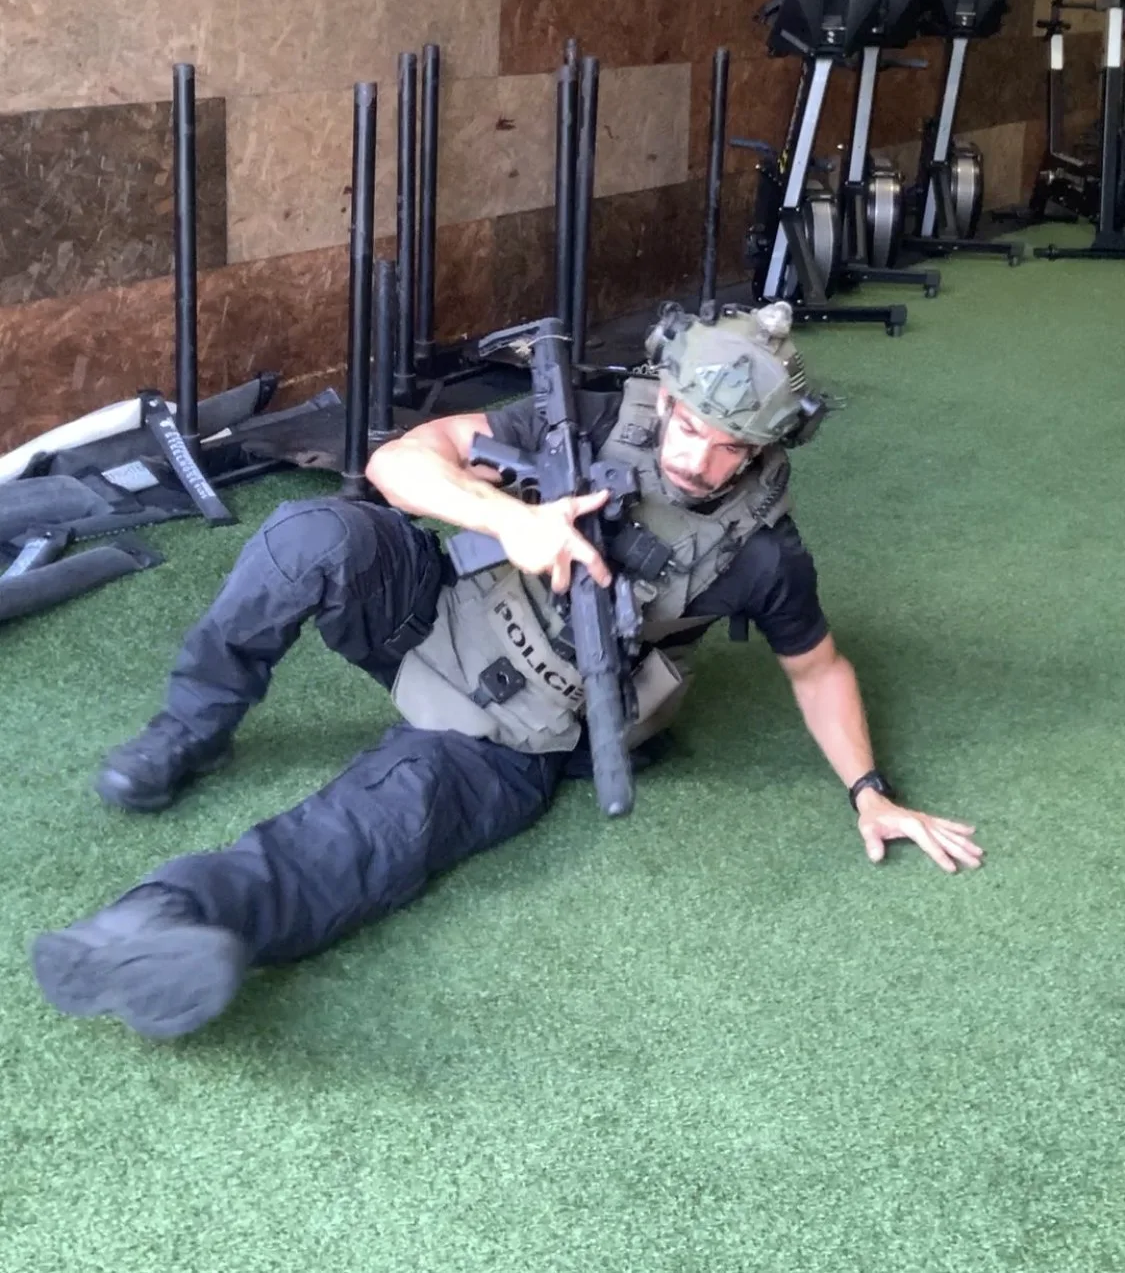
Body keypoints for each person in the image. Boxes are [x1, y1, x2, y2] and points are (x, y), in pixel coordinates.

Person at [31, 302, 981, 1041]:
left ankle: (161, 923)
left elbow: (817, 670)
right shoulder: (596, 419)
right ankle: (190, 728)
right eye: (688, 422)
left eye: (729, 444)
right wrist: (510, 519)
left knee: (378, 823)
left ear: (768, 446)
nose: (695, 456)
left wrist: (869, 792)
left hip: (514, 735)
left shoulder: (764, 555)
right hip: (438, 617)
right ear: (667, 396)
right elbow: (404, 460)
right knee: (311, 532)